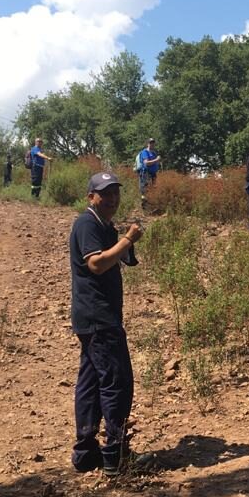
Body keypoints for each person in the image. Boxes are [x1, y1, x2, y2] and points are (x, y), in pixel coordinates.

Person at [69, 171, 152, 478]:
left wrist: (125, 242)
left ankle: (85, 453)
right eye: (105, 194)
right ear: (91, 196)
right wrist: (128, 239)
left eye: (116, 193)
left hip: (94, 317)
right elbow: (97, 263)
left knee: (90, 382)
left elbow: (121, 260)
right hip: (99, 318)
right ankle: (114, 456)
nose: (112, 199)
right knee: (117, 382)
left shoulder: (103, 225)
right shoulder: (87, 223)